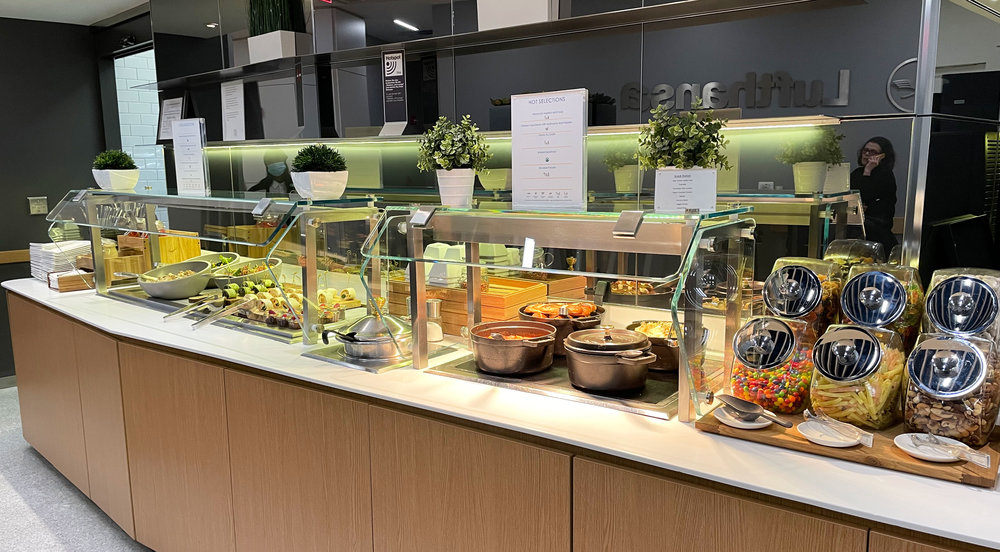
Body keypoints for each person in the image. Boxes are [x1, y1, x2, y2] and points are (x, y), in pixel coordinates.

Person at [850, 136, 898, 252]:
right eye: (865, 150)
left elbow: (865, 197)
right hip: (856, 225)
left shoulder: (886, 175)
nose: (867, 154)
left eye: (872, 152)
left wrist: (868, 171)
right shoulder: (856, 173)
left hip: (877, 231)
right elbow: (854, 198)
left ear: (882, 156)